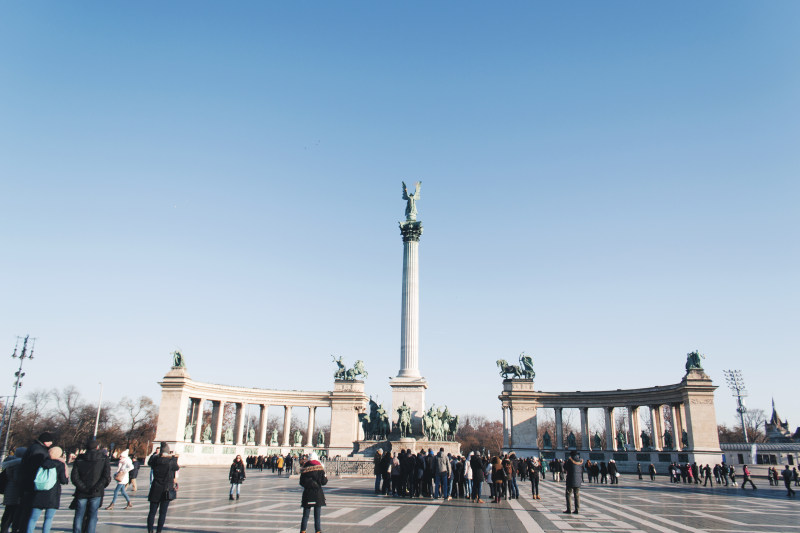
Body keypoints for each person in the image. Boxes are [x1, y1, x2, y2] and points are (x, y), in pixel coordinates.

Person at [70, 439, 111, 533]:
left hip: (82, 492)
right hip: (96, 492)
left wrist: (83, 488)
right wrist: (97, 487)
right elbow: (105, 476)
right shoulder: (103, 458)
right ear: (97, 447)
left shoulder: (80, 458)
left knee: (79, 515)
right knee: (93, 516)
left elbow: (74, 477)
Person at [25, 446, 68, 533]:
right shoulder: (60, 464)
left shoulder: (42, 463)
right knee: (48, 518)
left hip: (39, 492)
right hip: (53, 494)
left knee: (33, 518)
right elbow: (63, 480)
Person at [147, 442, 180, 533]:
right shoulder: (170, 462)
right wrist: (174, 457)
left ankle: (150, 531)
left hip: (155, 488)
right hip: (166, 490)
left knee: (152, 512)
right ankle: (159, 531)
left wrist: (156, 455)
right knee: (162, 513)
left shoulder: (155, 461)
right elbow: (176, 467)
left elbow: (149, 462)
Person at [298, 452, 326, 533]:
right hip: (317, 494)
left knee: (305, 515)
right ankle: (318, 531)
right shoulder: (320, 469)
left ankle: (303, 530)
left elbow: (301, 482)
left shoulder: (304, 469)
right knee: (317, 516)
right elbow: (324, 482)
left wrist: (308, 485)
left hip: (307, 493)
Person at [1, 447, 26, 533]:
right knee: (14, 513)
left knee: (8, 512)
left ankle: (4, 530)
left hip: (9, 489)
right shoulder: (18, 464)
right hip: (15, 490)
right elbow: (16, 478)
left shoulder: (10, 463)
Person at [563, 450, 583, 515]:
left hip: (571, 479)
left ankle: (569, 509)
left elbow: (565, 467)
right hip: (578, 480)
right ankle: (577, 509)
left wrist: (566, 462)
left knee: (568, 494)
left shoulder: (570, 460)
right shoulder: (580, 461)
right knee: (577, 495)